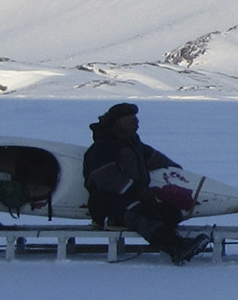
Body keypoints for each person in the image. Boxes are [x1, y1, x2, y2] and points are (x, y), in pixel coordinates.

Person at [82, 103, 203, 264]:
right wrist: (138, 191)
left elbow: (155, 158)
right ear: (118, 122)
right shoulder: (103, 146)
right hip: (106, 203)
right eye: (131, 119)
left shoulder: (133, 145)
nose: (136, 122)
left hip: (129, 198)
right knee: (141, 214)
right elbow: (104, 178)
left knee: (170, 212)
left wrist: (176, 171)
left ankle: (173, 241)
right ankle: (176, 247)